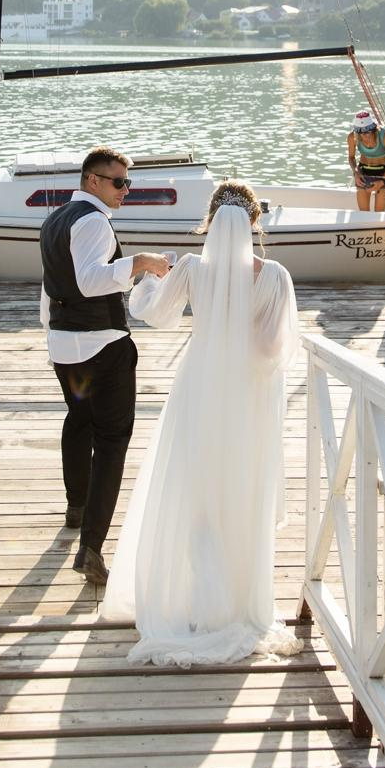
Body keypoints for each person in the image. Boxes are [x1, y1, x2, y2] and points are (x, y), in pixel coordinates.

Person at [101, 178, 303, 666]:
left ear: (210, 223)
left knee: (193, 490)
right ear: (255, 223)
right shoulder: (275, 276)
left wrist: (149, 279)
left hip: (198, 387)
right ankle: (234, 602)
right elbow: (275, 350)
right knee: (239, 489)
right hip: (248, 397)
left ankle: (192, 598)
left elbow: (154, 313)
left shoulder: (192, 268)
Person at [40, 146, 170, 587]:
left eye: (128, 183)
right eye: (119, 183)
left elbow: (50, 288)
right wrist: (142, 262)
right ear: (92, 180)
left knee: (78, 420)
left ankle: (76, 507)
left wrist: (53, 335)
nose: (125, 191)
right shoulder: (94, 221)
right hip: (103, 349)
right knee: (112, 441)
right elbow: (90, 281)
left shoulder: (55, 219)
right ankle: (91, 549)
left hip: (66, 346)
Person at [347, 106, 385, 211]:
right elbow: (351, 157)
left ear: (373, 127)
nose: (365, 136)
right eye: (360, 133)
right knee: (364, 214)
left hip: (383, 172)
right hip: (363, 171)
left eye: (368, 131)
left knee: (379, 213)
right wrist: (356, 172)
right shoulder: (353, 137)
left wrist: (383, 181)